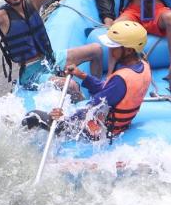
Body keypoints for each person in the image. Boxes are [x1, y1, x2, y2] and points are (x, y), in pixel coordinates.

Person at [22, 21, 153, 141]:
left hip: (100, 131)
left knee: (33, 115)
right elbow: (108, 90)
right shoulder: (143, 67)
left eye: (114, 47)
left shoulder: (120, 79)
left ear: (129, 50)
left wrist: (64, 119)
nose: (111, 50)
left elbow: (90, 109)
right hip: (117, 125)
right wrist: (82, 75)